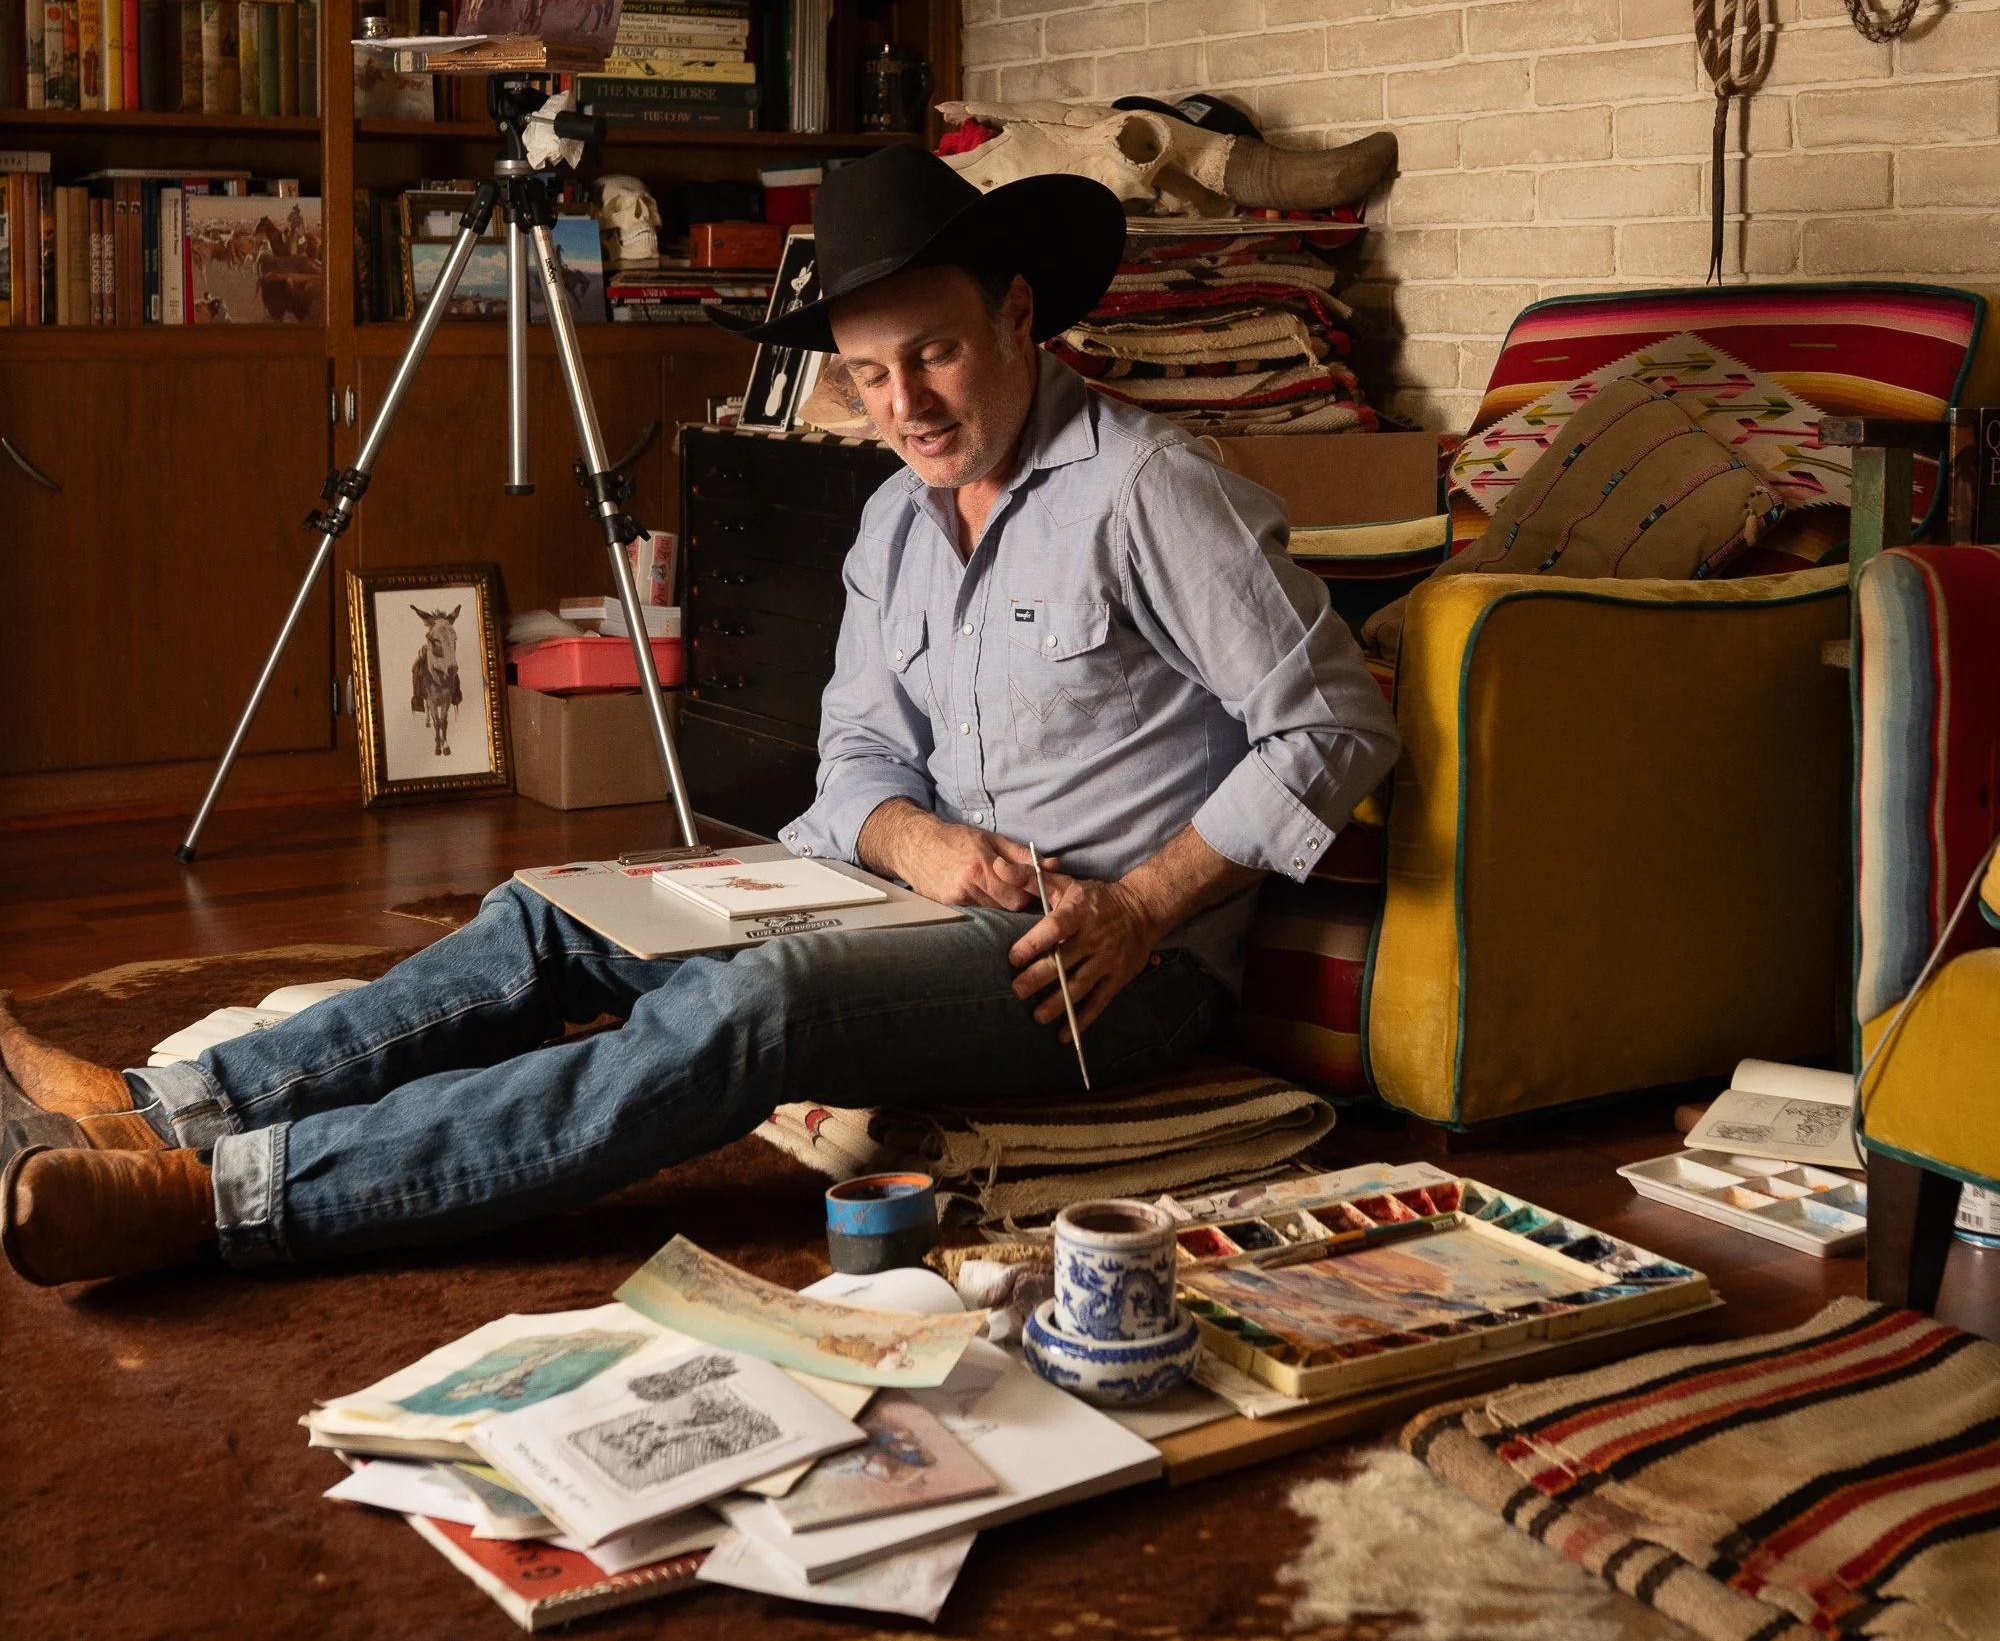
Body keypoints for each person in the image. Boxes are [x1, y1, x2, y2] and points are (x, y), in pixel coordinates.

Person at [0, 148, 1398, 1288]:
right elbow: (852, 759)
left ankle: (218, 1199)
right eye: (869, 375)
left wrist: (1144, 907)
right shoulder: (893, 525)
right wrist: (911, 841)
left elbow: (1334, 724)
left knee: (757, 1002)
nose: (905, 404)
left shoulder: (1154, 491)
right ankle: (171, 1105)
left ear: (1021, 317)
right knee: (563, 908)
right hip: (918, 906)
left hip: (1097, 973)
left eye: (938, 357)